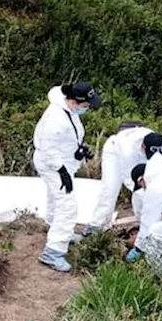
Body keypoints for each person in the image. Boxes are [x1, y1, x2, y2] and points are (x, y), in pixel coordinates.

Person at [32, 80, 102, 273]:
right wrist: (61, 170)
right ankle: (53, 252)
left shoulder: (67, 111)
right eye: (86, 106)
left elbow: (68, 138)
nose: (87, 109)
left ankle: (57, 228)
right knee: (68, 205)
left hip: (62, 161)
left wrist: (79, 152)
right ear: (74, 102)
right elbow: (48, 148)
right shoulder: (56, 118)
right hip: (52, 164)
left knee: (56, 198)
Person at [84, 125, 162, 233]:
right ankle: (97, 226)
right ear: (143, 147)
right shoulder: (128, 148)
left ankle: (156, 223)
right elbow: (130, 179)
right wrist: (147, 193)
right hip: (115, 151)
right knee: (110, 189)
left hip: (135, 153)